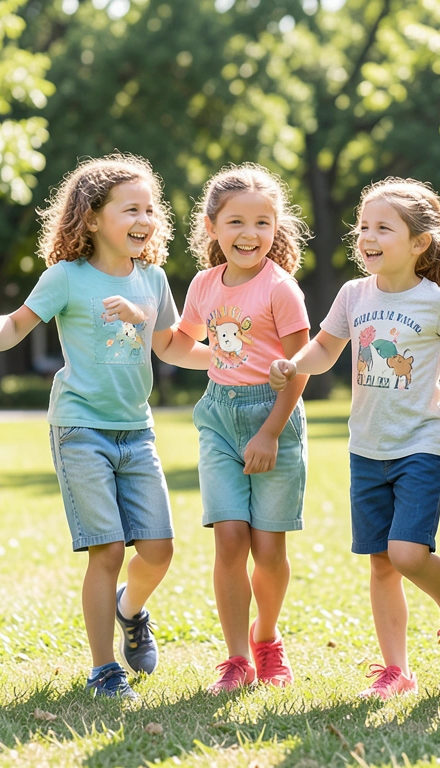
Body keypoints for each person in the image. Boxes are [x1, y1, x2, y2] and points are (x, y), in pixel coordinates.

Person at [0, 154, 209, 700]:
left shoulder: (152, 279)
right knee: (107, 550)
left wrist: (226, 359)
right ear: (94, 218)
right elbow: (16, 323)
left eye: (151, 208)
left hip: (136, 431)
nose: (145, 218)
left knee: (159, 550)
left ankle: (131, 609)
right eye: (131, 208)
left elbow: (171, 345)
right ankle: (105, 670)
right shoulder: (67, 278)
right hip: (81, 429)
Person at [271, 178, 440, 699]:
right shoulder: (353, 294)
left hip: (421, 443)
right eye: (362, 226)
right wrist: (293, 364)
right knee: (382, 563)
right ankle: (397, 670)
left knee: (408, 554)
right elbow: (324, 348)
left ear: (418, 244)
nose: (367, 236)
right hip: (366, 446)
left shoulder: (438, 302)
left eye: (382, 228)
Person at [177, 164, 310, 693]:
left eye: (262, 223)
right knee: (229, 540)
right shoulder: (204, 284)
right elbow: (183, 341)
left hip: (274, 417)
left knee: (269, 549)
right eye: (235, 222)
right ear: (212, 227)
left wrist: (270, 432)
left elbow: (300, 365)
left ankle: (267, 638)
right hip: (218, 416)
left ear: (275, 228)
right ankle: (236, 659)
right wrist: (217, 353)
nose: (249, 234)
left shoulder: (282, 288)